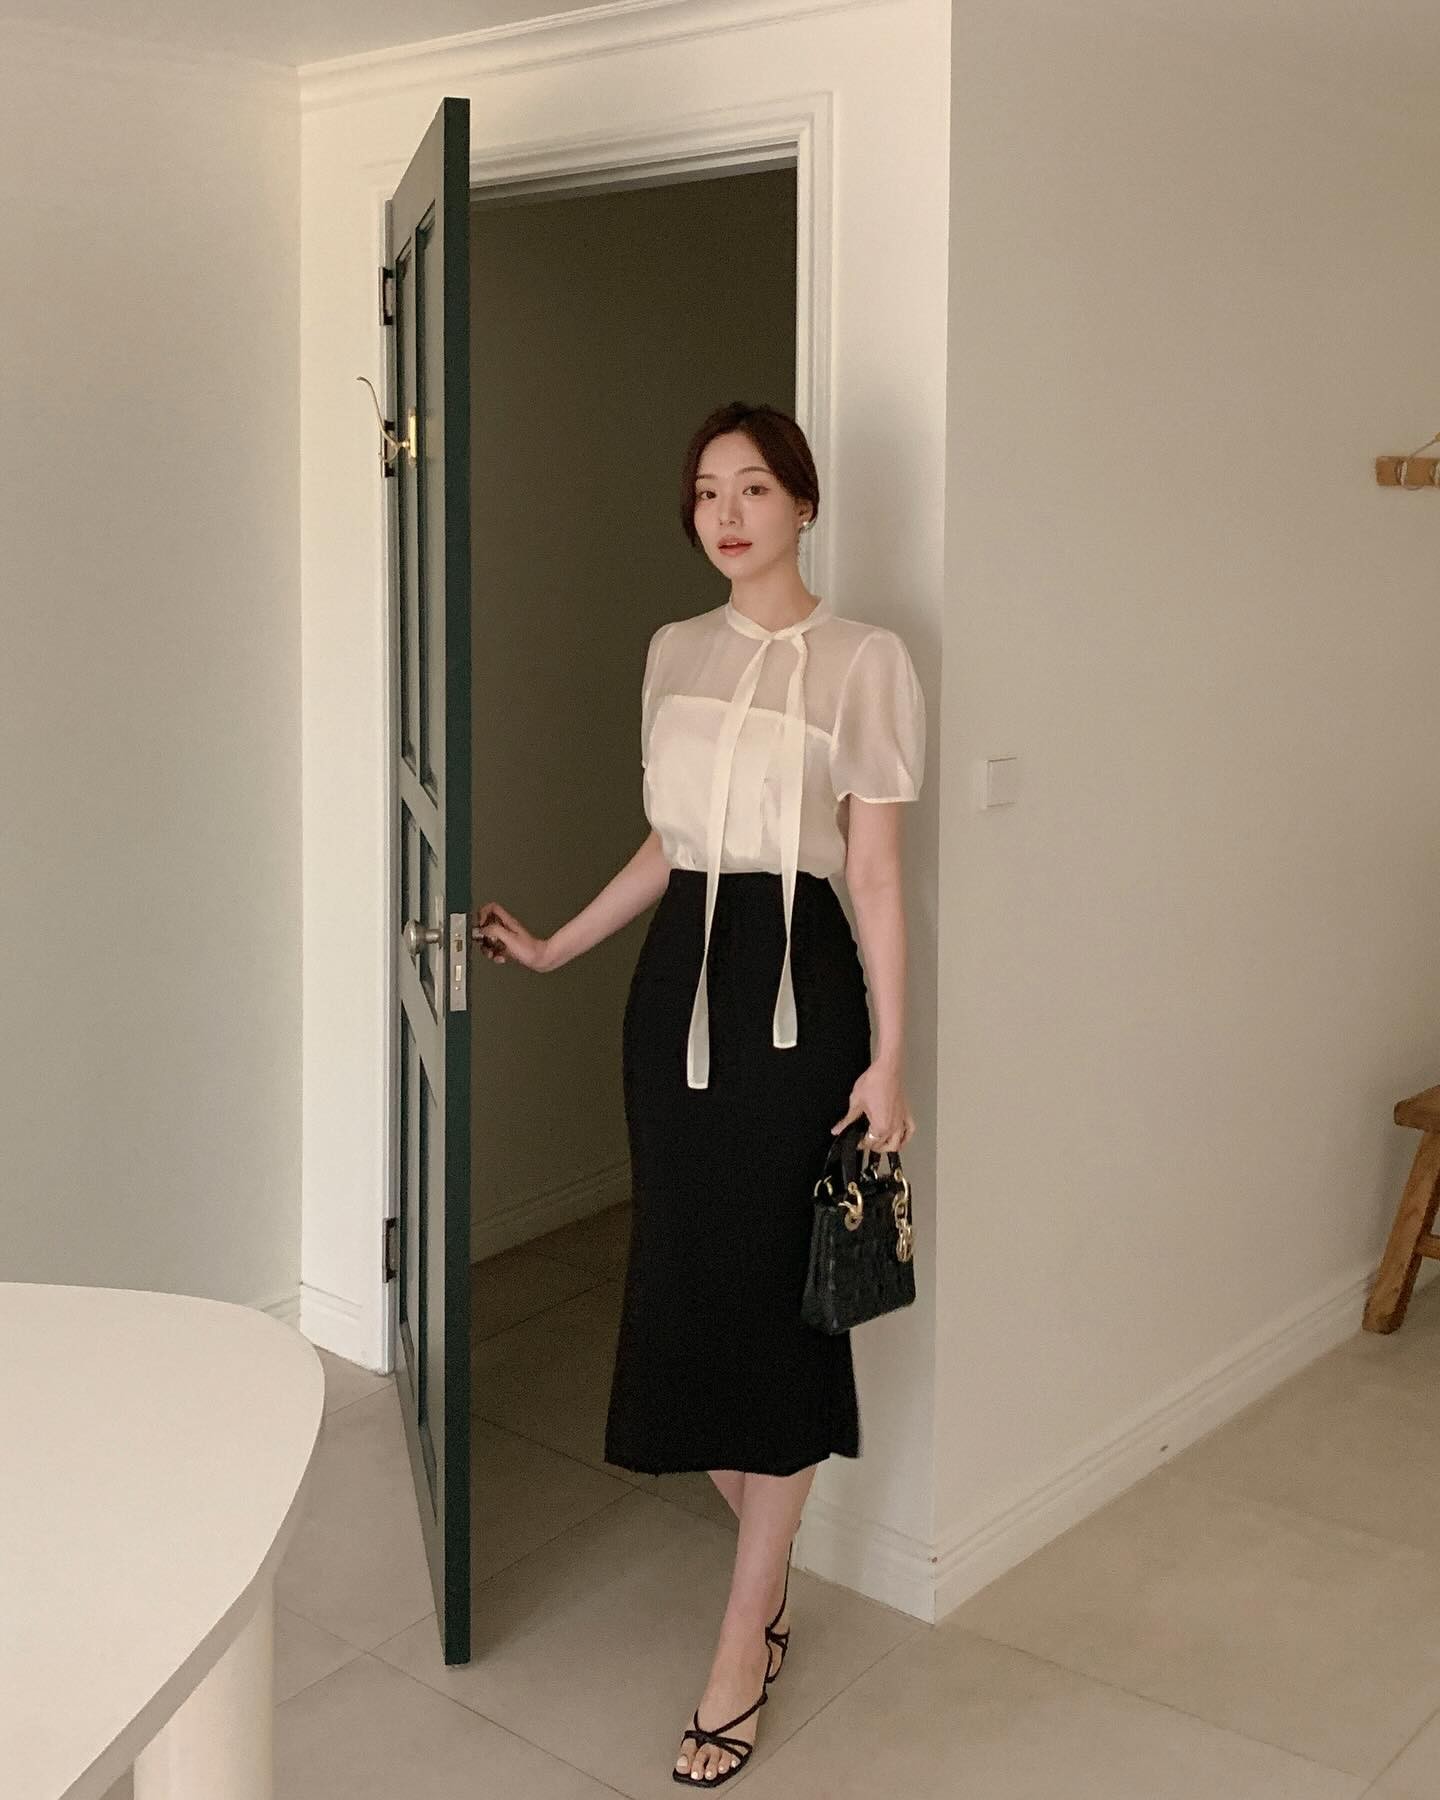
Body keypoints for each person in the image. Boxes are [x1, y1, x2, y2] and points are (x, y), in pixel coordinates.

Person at [472, 400, 925, 1787]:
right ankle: (771, 1563)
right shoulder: (674, 650)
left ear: (804, 504)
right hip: (677, 990)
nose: (726, 514)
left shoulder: (866, 660)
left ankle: (744, 1631)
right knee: (687, 1281)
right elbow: (674, 843)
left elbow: (875, 874)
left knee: (779, 1299)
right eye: (708, 491)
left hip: (801, 994)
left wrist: (892, 1057)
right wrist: (558, 945)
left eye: (755, 488)